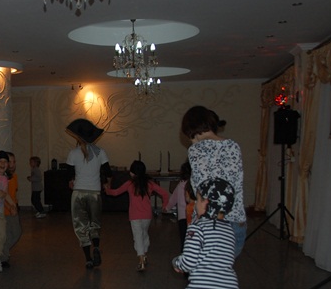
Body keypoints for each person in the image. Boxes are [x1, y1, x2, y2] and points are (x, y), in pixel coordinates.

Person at [181, 106, 246, 257]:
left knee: (205, 268)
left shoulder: (195, 150)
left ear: (191, 129)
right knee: (224, 267)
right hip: (236, 220)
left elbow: (201, 187)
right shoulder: (233, 145)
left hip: (210, 223)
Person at [104, 160, 169, 272]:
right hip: (147, 215)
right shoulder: (149, 183)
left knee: (137, 237)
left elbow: (115, 192)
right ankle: (144, 255)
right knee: (144, 235)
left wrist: (107, 190)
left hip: (134, 216)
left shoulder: (129, 184)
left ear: (132, 172)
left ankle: (141, 261)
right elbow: (164, 193)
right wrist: (164, 205)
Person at [65, 118, 112, 269]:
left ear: (78, 138)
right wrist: (107, 184)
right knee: (95, 223)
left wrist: (71, 181)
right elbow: (108, 172)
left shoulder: (73, 153)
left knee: (81, 226)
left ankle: (88, 259)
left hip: (78, 193)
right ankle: (96, 246)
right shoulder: (100, 152)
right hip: (95, 193)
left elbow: (69, 174)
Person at [0, 151, 22, 269]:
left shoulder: (14, 177)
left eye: (14, 161)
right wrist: (9, 207)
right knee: (7, 234)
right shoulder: (2, 178)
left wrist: (15, 206)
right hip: (5, 211)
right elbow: (1, 195)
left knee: (16, 233)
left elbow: (13, 194)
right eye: (10, 162)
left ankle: (0, 252)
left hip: (13, 209)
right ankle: (3, 257)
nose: (12, 164)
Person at [163, 162, 192, 251]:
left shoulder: (181, 184)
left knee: (183, 238)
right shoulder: (194, 184)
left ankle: (184, 253)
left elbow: (173, 198)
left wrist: (167, 208)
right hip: (193, 216)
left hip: (182, 217)